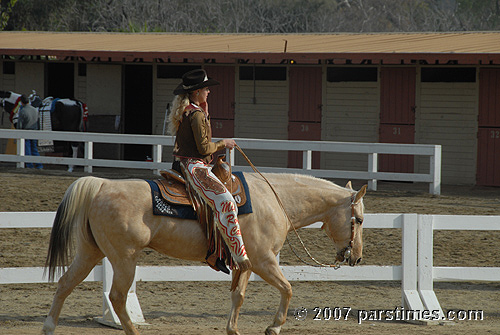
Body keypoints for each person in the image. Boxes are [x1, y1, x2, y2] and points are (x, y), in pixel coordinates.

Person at [168, 69, 251, 272]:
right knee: (226, 201)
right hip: (193, 166)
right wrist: (225, 143)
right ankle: (239, 256)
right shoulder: (195, 114)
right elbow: (204, 149)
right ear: (196, 92)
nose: (208, 92)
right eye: (206, 88)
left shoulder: (193, 110)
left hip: (190, 163)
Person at [17, 95, 43, 169]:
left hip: (26, 132)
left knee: (27, 149)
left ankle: (29, 165)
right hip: (34, 132)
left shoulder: (23, 111)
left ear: (21, 102)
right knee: (34, 149)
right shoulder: (35, 110)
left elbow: (20, 124)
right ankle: (39, 165)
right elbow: (38, 122)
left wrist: (18, 133)